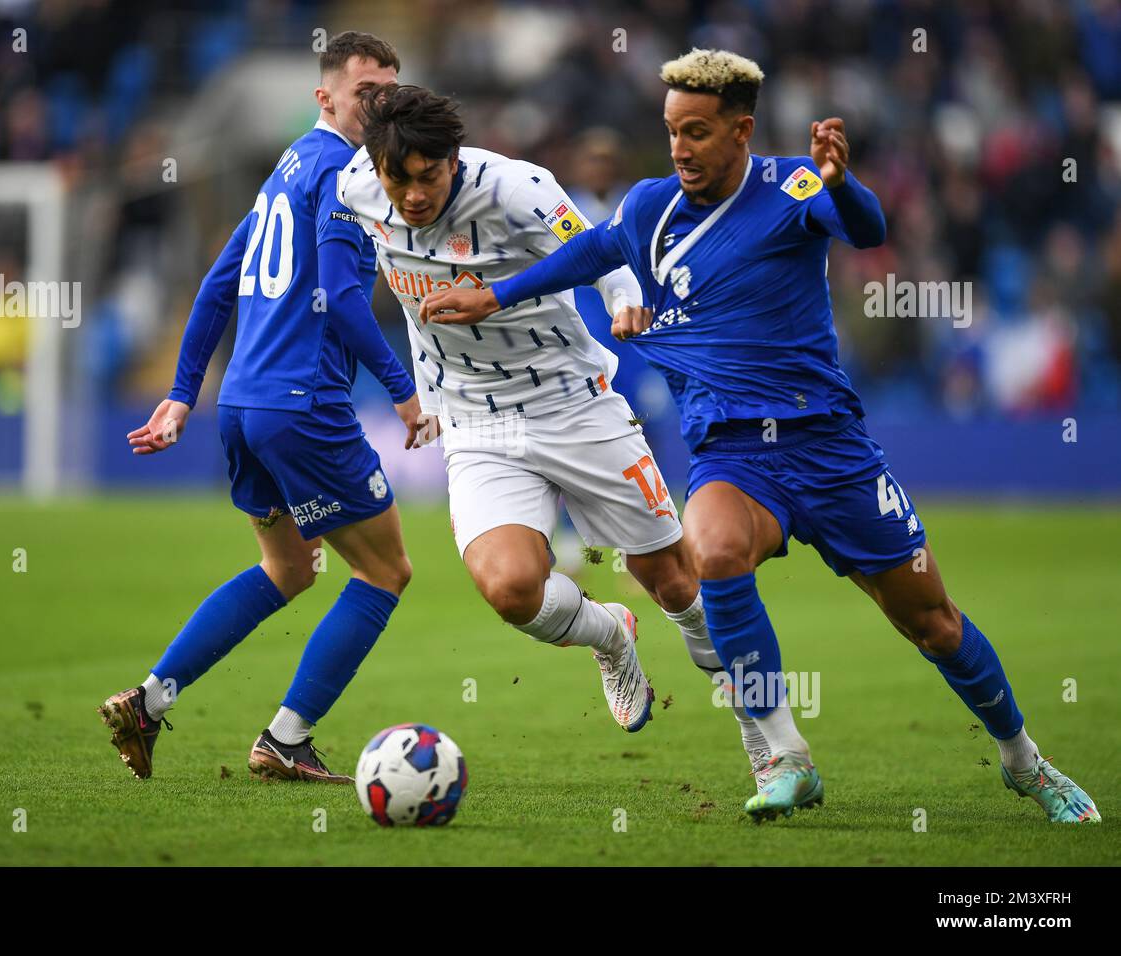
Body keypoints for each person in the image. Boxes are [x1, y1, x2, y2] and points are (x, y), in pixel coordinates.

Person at [419, 49, 1099, 824]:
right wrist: (497, 294)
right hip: (734, 452)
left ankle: (1023, 759)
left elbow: (865, 231)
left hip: (830, 449)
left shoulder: (792, 189)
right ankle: (784, 753)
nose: (679, 148)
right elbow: (593, 252)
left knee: (931, 621)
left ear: (742, 131)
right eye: (673, 130)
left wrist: (843, 183)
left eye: (698, 133)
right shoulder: (651, 206)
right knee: (709, 553)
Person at [339, 83, 773, 776]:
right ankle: (610, 637)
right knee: (511, 588)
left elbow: (604, 252)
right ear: (376, 168)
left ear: (453, 158)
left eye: (429, 176)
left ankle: (765, 742)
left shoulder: (519, 188)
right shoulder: (357, 185)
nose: (414, 195)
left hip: (574, 406)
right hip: (476, 419)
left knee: (673, 582)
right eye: (400, 179)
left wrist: (628, 304)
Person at [99, 32, 420, 785]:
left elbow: (218, 282)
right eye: (367, 91)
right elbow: (343, 299)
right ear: (326, 97)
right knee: (386, 571)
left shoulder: (285, 170)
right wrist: (401, 391)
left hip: (243, 404)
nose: (381, 105)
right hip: (303, 405)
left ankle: (147, 701)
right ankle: (286, 737)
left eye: (390, 92)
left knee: (289, 567)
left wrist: (185, 394)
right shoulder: (343, 172)